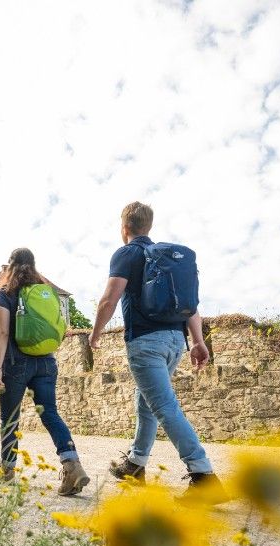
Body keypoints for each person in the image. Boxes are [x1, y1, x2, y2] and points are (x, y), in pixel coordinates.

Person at [88, 202, 227, 502]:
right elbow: (189, 305)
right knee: (146, 401)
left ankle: (203, 475)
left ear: (124, 228)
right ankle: (135, 465)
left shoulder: (126, 253)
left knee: (163, 405)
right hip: (176, 342)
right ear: (148, 227)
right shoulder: (166, 258)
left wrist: (95, 333)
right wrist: (198, 341)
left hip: (146, 342)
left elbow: (109, 299)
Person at [0, 248, 90, 496]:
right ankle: (73, 465)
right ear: (33, 266)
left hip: (16, 363)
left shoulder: (6, 293)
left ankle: (6, 470)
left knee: (10, 418)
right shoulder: (46, 293)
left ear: (11, 266)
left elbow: (2, 332)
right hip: (46, 362)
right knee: (50, 415)